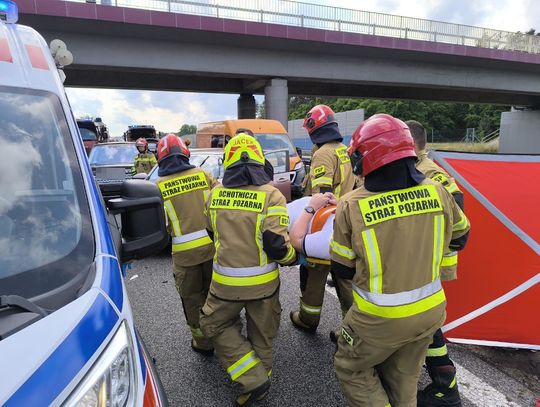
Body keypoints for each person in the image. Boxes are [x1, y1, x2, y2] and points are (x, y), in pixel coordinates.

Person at [331, 114, 470, 407]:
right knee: (404, 377)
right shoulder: (438, 191)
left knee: (349, 365)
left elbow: (342, 268)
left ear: (367, 158)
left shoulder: (351, 205)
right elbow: (460, 237)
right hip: (431, 312)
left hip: (378, 319)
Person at [200, 133, 296, 406]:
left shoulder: (215, 193)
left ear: (228, 162)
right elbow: (277, 246)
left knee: (212, 324)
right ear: (258, 161)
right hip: (264, 287)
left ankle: (253, 380)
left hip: (224, 288)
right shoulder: (272, 196)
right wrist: (292, 258)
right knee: (262, 336)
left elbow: (211, 233)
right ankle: (258, 382)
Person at [406, 119, 466, 407]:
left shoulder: (428, 172)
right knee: (422, 322)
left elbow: (458, 212)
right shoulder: (417, 168)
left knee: (427, 326)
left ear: (412, 143)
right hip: (422, 259)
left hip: (427, 261)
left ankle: (446, 387)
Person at [290, 104, 354, 336]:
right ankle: (352, 329)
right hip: (344, 222)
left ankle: (308, 318)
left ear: (311, 129)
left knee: (313, 274)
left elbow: (322, 195)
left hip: (324, 223)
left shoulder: (323, 154)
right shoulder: (343, 149)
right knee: (344, 276)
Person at [155, 134, 218, 355]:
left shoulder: (158, 187)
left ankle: (203, 343)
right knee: (216, 294)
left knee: (192, 300)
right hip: (213, 250)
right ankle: (223, 335)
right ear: (185, 153)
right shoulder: (205, 175)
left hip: (184, 257)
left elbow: (159, 226)